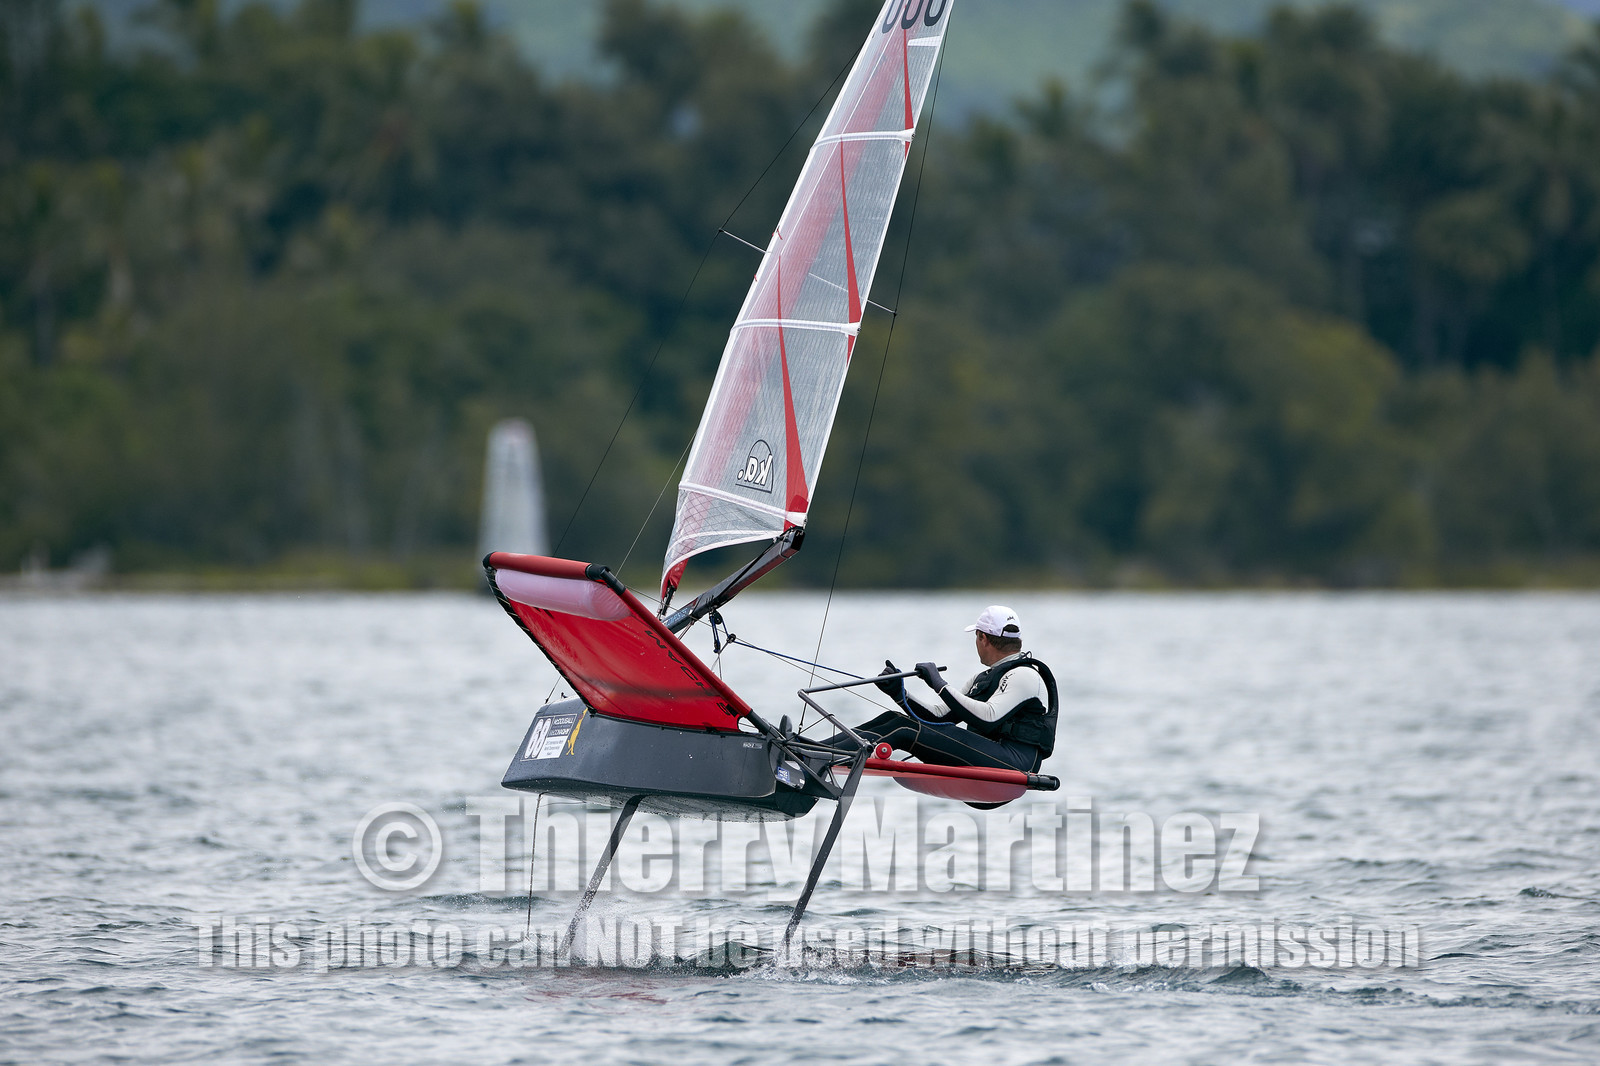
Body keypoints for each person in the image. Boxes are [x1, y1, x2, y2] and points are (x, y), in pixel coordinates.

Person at [820, 605, 1058, 773]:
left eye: (976, 638)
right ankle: (816, 748)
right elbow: (938, 716)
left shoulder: (1025, 675)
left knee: (905, 729)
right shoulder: (983, 677)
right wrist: (900, 694)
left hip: (1015, 763)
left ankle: (818, 759)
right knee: (894, 719)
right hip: (993, 755)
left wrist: (939, 684)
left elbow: (987, 718)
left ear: (983, 638)